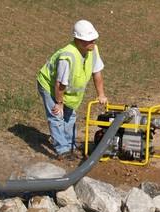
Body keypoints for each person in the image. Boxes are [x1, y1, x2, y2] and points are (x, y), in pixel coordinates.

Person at [36, 19, 108, 160]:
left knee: (70, 116)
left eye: (94, 39)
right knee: (57, 116)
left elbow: (97, 72)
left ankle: (70, 145)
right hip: (50, 86)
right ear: (79, 40)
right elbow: (59, 84)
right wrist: (59, 103)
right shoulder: (67, 56)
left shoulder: (93, 50)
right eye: (90, 40)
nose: (94, 42)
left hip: (67, 91)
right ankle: (62, 150)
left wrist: (101, 94)